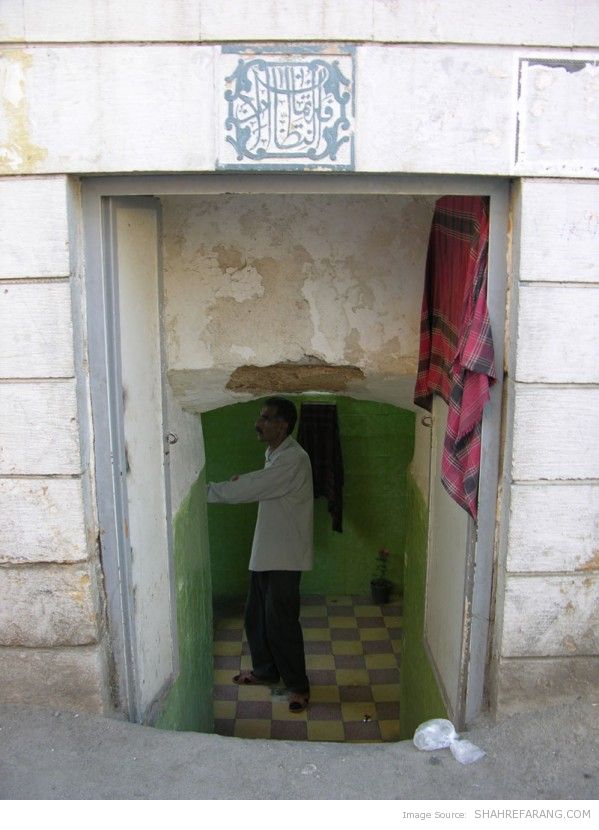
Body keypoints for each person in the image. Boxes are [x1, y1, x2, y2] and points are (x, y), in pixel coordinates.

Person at [206, 397, 313, 713]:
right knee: (256, 616)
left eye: (265, 418)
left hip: (285, 554)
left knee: (281, 622)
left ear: (282, 425)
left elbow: (251, 486)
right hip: (268, 550)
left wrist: (208, 490)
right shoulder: (275, 454)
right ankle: (266, 670)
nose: (258, 423)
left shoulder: (293, 459)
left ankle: (297, 685)